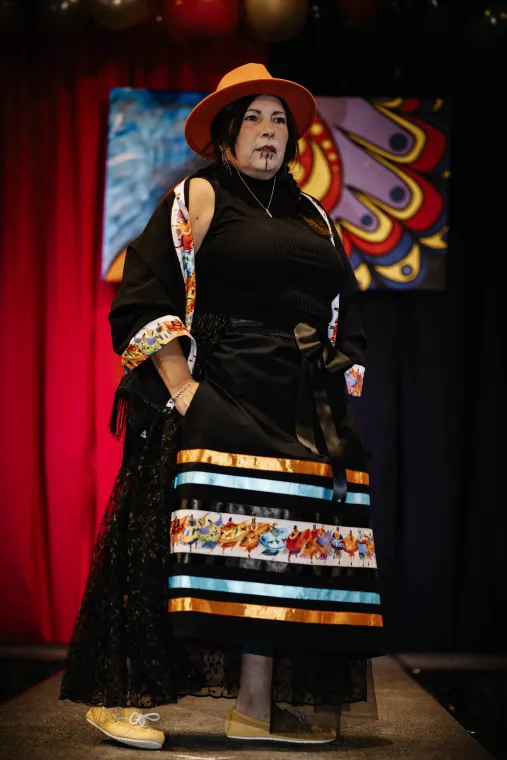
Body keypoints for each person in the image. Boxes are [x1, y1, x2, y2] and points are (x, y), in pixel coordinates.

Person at [59, 62, 385, 749]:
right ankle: (124, 701)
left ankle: (255, 709)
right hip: (217, 391)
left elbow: (338, 311)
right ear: (226, 136)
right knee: (165, 544)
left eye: (279, 121)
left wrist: (334, 383)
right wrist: (182, 389)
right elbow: (147, 290)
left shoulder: (312, 214)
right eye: (254, 120)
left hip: (294, 403)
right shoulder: (198, 194)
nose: (268, 132)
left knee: (271, 556)